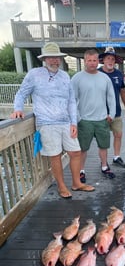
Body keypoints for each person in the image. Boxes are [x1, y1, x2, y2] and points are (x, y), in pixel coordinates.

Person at [10, 42, 95, 199]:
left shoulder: (64, 76)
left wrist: (74, 122)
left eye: (57, 58)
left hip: (65, 122)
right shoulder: (34, 74)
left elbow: (71, 101)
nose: (54, 61)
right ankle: (61, 186)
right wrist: (18, 109)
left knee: (75, 152)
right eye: (51, 58)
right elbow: (21, 93)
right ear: (44, 59)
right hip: (46, 122)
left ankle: (77, 183)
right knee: (54, 155)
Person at [71, 48, 116, 180]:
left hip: (102, 119)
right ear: (85, 61)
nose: (92, 63)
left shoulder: (105, 78)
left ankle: (104, 167)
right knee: (83, 148)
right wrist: (77, 117)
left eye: (94, 60)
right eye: (89, 60)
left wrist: (111, 114)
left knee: (103, 146)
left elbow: (111, 97)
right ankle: (81, 170)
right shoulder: (77, 78)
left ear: (98, 61)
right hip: (84, 120)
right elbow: (72, 100)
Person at [99, 47, 125, 168]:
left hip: (116, 112)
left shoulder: (118, 74)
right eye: (108, 58)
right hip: (101, 113)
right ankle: (103, 161)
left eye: (112, 59)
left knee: (118, 134)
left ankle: (116, 157)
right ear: (103, 60)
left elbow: (123, 92)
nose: (110, 61)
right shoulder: (98, 73)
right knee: (103, 139)